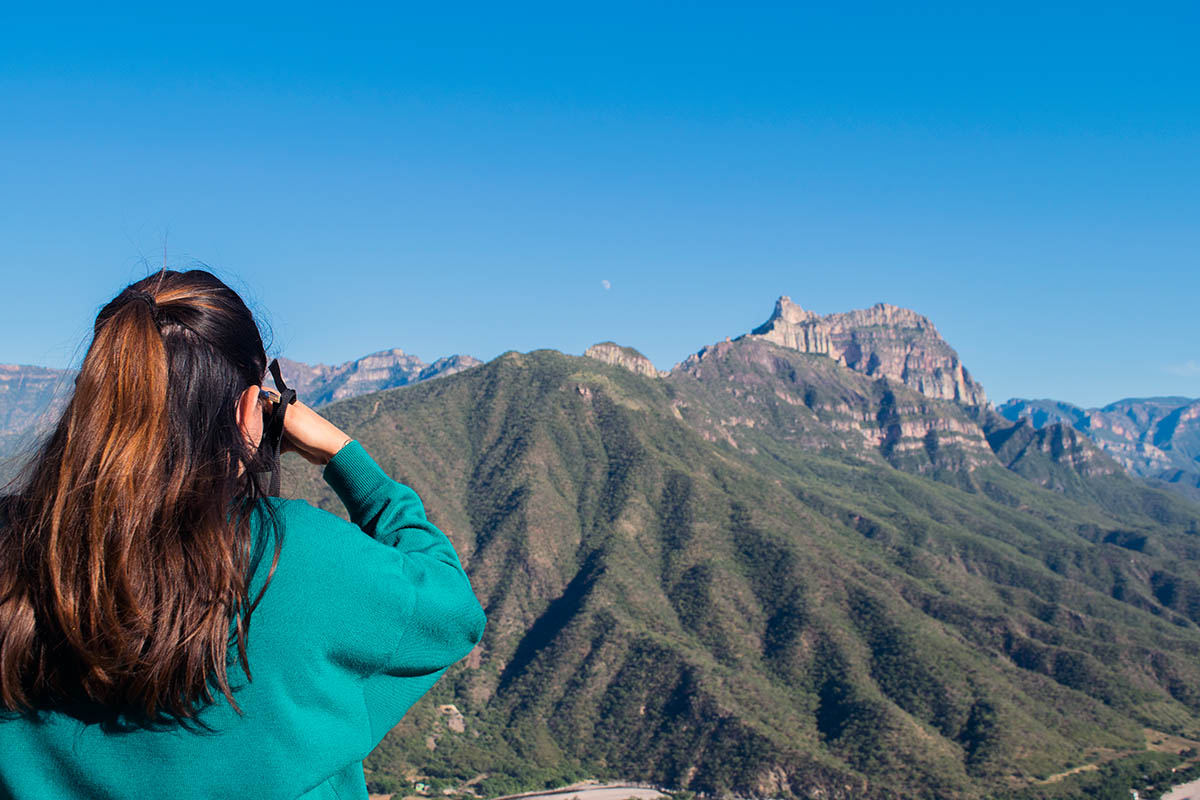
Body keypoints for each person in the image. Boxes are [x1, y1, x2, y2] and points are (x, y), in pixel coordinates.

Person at [0, 269, 486, 799]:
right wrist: (343, 458)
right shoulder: (296, 555)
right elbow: (452, 608)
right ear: (249, 409)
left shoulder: (14, 549)